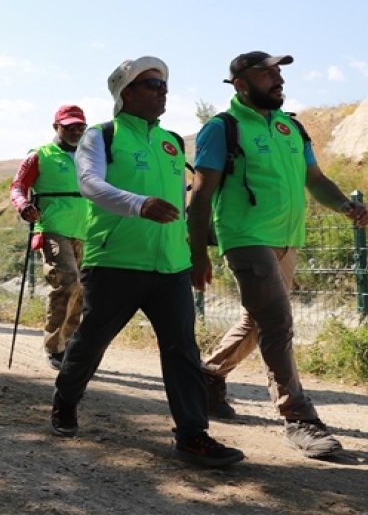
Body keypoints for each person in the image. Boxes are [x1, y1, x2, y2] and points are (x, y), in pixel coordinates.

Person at [50, 56, 244, 468]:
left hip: (170, 265)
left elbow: (182, 202)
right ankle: (66, 399)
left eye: (164, 85)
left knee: (182, 349)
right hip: (116, 261)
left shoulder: (172, 141)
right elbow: (90, 184)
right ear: (126, 93)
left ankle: (192, 435)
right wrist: (138, 205)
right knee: (92, 339)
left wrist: (195, 253)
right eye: (152, 84)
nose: (163, 90)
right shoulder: (101, 136)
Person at [188, 51, 368, 458]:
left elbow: (316, 180)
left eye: (279, 72)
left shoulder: (292, 128)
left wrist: (344, 205)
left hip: (288, 238)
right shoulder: (222, 129)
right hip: (245, 235)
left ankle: (209, 375)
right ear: (240, 83)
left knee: (258, 319)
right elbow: (201, 195)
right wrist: (196, 252)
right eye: (266, 72)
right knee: (277, 321)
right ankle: (300, 418)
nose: (277, 79)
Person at [9, 104, 90, 371]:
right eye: (69, 126)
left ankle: (69, 344)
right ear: (56, 127)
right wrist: (23, 206)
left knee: (81, 290)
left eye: (80, 126)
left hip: (87, 230)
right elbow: (18, 186)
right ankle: (54, 346)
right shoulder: (39, 155)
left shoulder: (90, 155)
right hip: (53, 227)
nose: (76, 131)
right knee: (67, 281)